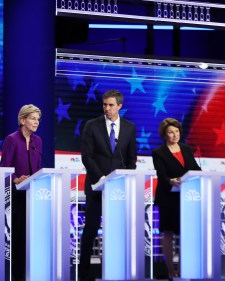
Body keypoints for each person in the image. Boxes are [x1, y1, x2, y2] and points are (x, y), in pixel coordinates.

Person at [79, 89, 137, 280]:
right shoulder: (92, 125)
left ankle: (114, 270)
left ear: (120, 106)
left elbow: (131, 160)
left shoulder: (129, 128)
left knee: (116, 231)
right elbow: (87, 156)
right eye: (104, 104)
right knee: (91, 229)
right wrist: (102, 177)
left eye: (111, 105)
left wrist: (123, 180)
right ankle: (85, 273)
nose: (107, 108)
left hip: (118, 191)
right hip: (97, 187)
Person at [152, 118, 201, 277]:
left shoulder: (186, 149)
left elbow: (195, 169)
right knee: (168, 233)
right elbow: (162, 176)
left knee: (185, 233)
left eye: (177, 132)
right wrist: (171, 181)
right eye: (171, 132)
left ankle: (183, 268)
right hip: (168, 197)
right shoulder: (159, 152)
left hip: (186, 197)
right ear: (165, 135)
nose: (174, 135)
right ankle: (170, 270)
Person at [0, 104, 42, 281]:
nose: (36, 122)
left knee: (29, 236)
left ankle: (28, 273)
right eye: (32, 118)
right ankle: (16, 275)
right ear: (22, 120)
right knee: (17, 235)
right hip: (16, 195)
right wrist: (16, 179)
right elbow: (4, 168)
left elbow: (38, 167)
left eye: (38, 119)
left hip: (32, 194)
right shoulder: (11, 139)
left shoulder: (38, 141)